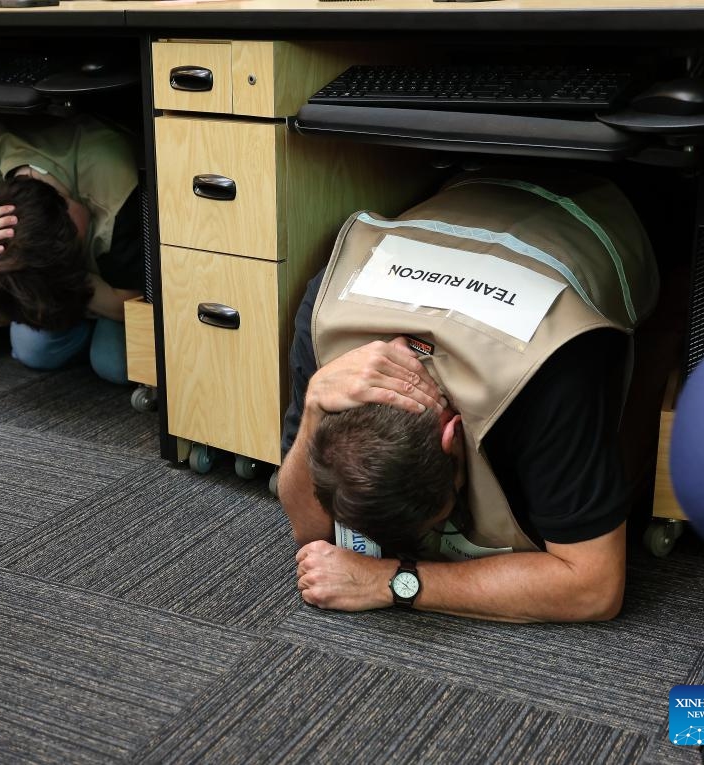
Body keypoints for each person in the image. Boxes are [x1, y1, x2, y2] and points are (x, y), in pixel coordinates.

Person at [278, 166, 659, 623]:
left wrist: (393, 581)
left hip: (613, 196)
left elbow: (594, 588)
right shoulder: (325, 312)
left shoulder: (549, 367)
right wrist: (315, 408)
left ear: (450, 435)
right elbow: (308, 527)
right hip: (473, 182)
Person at [0, 115, 143, 384]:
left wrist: (60, 278)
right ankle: (85, 330)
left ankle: (93, 333)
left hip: (115, 287)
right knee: (34, 351)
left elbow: (129, 302)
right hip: (65, 287)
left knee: (116, 365)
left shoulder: (118, 192)